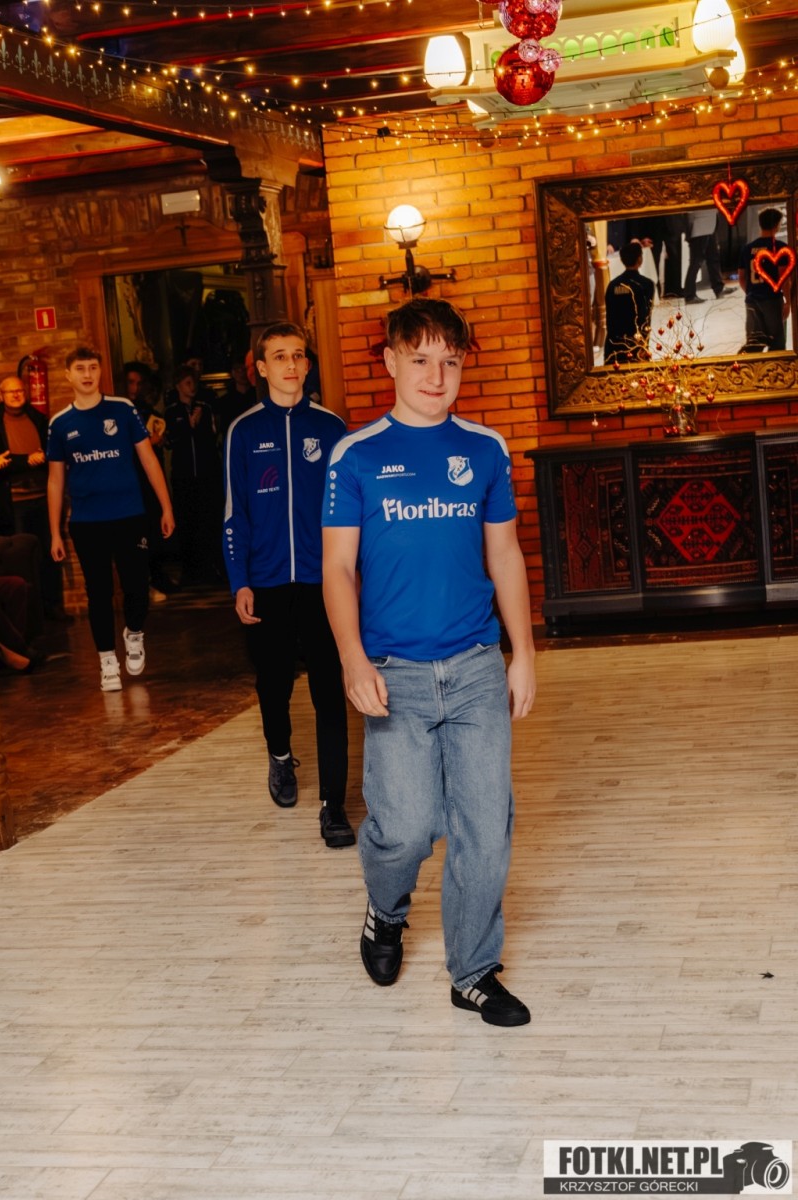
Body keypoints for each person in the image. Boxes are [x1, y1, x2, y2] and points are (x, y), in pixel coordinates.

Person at [322, 297, 536, 1027]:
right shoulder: (356, 455)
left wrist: (522, 653)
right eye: (420, 359)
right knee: (406, 827)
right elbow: (337, 568)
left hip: (475, 667)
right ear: (390, 361)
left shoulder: (485, 449)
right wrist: (352, 659)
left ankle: (472, 971)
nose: (436, 375)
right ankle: (386, 909)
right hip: (395, 674)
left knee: (485, 827)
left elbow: (504, 554)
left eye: (450, 360)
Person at [223, 321, 352, 848]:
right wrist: (240, 581)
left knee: (329, 691)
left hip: (325, 583)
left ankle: (334, 806)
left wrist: (354, 578)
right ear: (261, 367)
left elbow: (351, 512)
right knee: (273, 684)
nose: (291, 365)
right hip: (268, 582)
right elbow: (234, 513)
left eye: (298, 355)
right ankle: (280, 756)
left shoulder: (332, 428)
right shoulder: (243, 431)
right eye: (279, 356)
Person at [47, 346, 175, 691]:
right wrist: (55, 532)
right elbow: (55, 480)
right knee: (99, 593)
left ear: (100, 371)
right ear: (68, 375)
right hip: (87, 522)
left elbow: (148, 459)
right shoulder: (60, 424)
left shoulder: (122, 409)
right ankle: (107, 661)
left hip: (130, 515)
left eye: (93, 367)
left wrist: (166, 506)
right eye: (80, 369)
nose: (88, 374)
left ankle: (134, 633)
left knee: (136, 586)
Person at [0, 374, 68, 619]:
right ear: (1, 395)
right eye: (11, 392)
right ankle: (28, 613)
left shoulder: (38, 419)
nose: (17, 395)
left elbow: (53, 451)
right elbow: (2, 460)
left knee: (50, 551)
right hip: (13, 501)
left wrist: (42, 456)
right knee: (19, 558)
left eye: (20, 390)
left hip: (43, 497)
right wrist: (26, 460)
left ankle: (52, 606)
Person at [122, 361, 177, 599]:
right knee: (137, 532)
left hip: (150, 477)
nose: (135, 388)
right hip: (131, 478)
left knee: (154, 526)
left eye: (139, 383)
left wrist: (160, 440)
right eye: (130, 382)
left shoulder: (145, 410)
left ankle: (156, 575)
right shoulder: (120, 410)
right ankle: (144, 583)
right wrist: (148, 443)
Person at [164, 365, 224, 585]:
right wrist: (187, 426)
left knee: (208, 520)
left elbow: (214, 436)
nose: (192, 387)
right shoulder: (171, 411)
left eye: (194, 382)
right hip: (184, 475)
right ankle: (189, 570)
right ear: (178, 386)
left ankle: (212, 568)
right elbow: (169, 441)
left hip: (207, 473)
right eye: (187, 383)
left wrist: (200, 424)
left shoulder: (204, 407)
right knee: (187, 522)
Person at [739, 207, 791, 352]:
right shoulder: (780, 248)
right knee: (777, 343)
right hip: (772, 300)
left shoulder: (747, 248)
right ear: (777, 225)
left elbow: (741, 277)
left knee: (754, 344)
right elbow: (784, 278)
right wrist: (787, 302)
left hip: (752, 300)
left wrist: (751, 292)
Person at [604, 242, 655, 364]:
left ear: (622, 260)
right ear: (640, 259)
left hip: (615, 343)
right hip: (637, 342)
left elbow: (609, 317)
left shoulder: (613, 285)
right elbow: (646, 317)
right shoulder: (646, 284)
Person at [683, 208, 734, 305]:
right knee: (696, 262)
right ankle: (690, 295)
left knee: (713, 258)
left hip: (709, 226)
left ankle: (719, 288)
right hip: (699, 227)